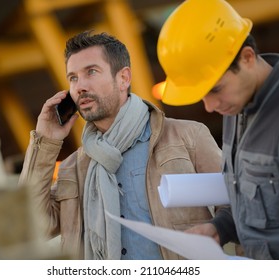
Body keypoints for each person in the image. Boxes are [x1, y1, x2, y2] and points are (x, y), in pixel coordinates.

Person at [18, 30, 222, 260]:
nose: (80, 86)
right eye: (73, 78)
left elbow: (239, 207)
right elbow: (29, 226)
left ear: (124, 78)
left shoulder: (187, 136)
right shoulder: (72, 168)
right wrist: (45, 140)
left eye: (91, 72)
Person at [156, 0, 279, 259]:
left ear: (247, 58)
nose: (209, 107)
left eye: (215, 90)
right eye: (202, 95)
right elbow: (258, 197)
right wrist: (220, 228)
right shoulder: (238, 104)